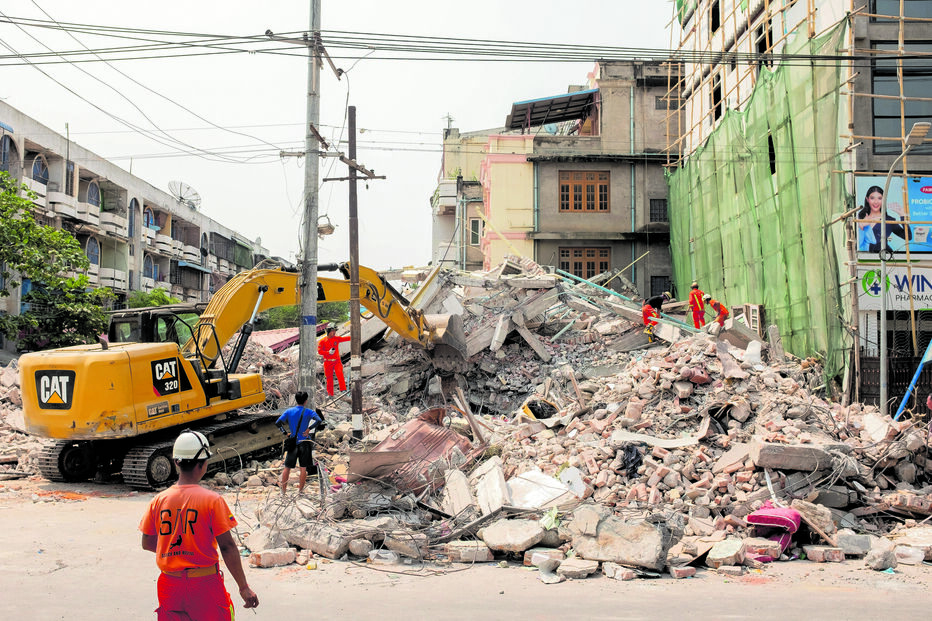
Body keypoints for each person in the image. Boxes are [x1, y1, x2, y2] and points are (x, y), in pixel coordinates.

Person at [139, 429, 259, 620]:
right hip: (205, 584)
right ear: (202, 464)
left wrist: (176, 552)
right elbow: (227, 547)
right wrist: (243, 587)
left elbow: (147, 542)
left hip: (170, 585)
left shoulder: (159, 500)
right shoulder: (212, 501)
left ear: (176, 462)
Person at [275, 391, 324, 494]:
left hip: (293, 442)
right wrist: (309, 429)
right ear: (306, 401)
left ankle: (283, 492)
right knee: (303, 468)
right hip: (305, 442)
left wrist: (285, 433)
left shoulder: (289, 411)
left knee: (287, 468)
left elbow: (278, 423)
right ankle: (300, 492)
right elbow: (319, 420)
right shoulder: (309, 412)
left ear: (296, 400)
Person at [858, 185, 911, 253]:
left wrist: (902, 215)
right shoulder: (859, 217)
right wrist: (861, 226)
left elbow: (908, 237)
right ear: (867, 199)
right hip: (864, 257)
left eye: (879, 198)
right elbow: (856, 244)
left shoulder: (889, 220)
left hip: (885, 256)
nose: (876, 202)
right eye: (872, 198)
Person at [318, 326, 351, 396]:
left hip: (337, 361)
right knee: (329, 378)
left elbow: (346, 338)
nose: (334, 332)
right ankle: (330, 394)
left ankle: (343, 390)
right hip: (328, 362)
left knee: (340, 374)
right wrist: (328, 352)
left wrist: (354, 336)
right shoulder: (322, 341)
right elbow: (319, 351)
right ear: (328, 332)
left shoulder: (336, 338)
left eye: (335, 331)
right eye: (332, 331)